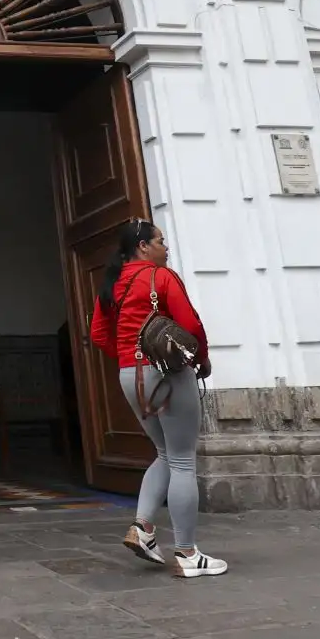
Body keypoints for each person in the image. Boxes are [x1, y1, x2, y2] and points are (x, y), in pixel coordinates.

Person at [90, 218, 225, 578]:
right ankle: (187, 553)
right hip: (166, 373)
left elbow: (99, 334)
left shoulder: (112, 284)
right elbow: (191, 325)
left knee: (165, 453)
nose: (166, 248)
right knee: (182, 460)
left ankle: (143, 529)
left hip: (129, 375)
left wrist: (129, 357)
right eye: (161, 241)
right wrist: (201, 358)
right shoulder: (161, 277)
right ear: (143, 246)